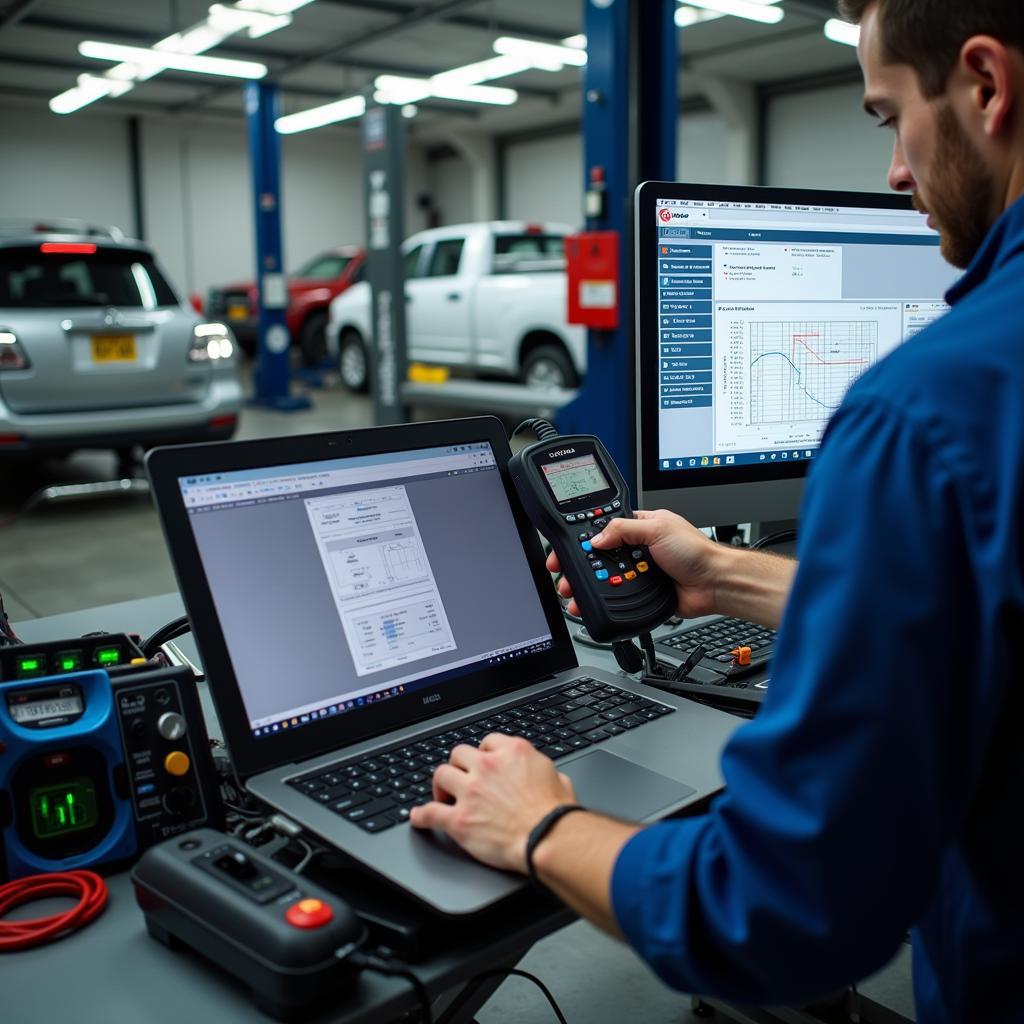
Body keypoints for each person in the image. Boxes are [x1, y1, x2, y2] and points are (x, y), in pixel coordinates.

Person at [410, 2, 1024, 1019]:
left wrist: (541, 828)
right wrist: (725, 572)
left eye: (886, 118)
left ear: (985, 84)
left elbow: (785, 909)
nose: (895, 175)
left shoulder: (924, 413)